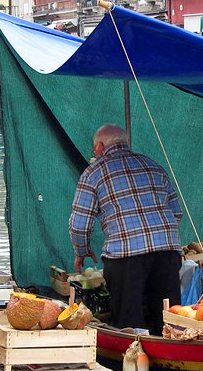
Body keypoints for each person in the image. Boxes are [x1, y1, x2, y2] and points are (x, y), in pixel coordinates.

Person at [69, 124, 183, 335]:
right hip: (168, 251)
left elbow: (79, 224)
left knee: (129, 322)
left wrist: (81, 251)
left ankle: (132, 362)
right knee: (168, 319)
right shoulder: (153, 166)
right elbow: (177, 212)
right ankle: (169, 362)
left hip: (126, 255)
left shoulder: (93, 173)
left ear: (99, 147)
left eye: (94, 148)